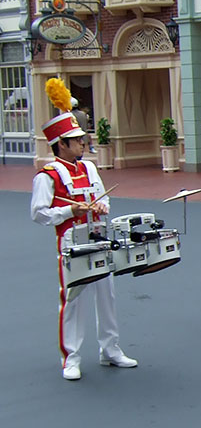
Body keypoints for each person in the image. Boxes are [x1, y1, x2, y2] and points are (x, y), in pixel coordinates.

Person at [30, 78, 137, 380]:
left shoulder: (89, 167)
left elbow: (104, 196)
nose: (83, 142)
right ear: (60, 144)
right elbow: (38, 214)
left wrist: (103, 207)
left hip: (99, 237)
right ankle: (71, 357)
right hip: (70, 242)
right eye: (76, 140)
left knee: (108, 295)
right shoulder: (47, 176)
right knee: (74, 299)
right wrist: (69, 210)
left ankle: (110, 349)